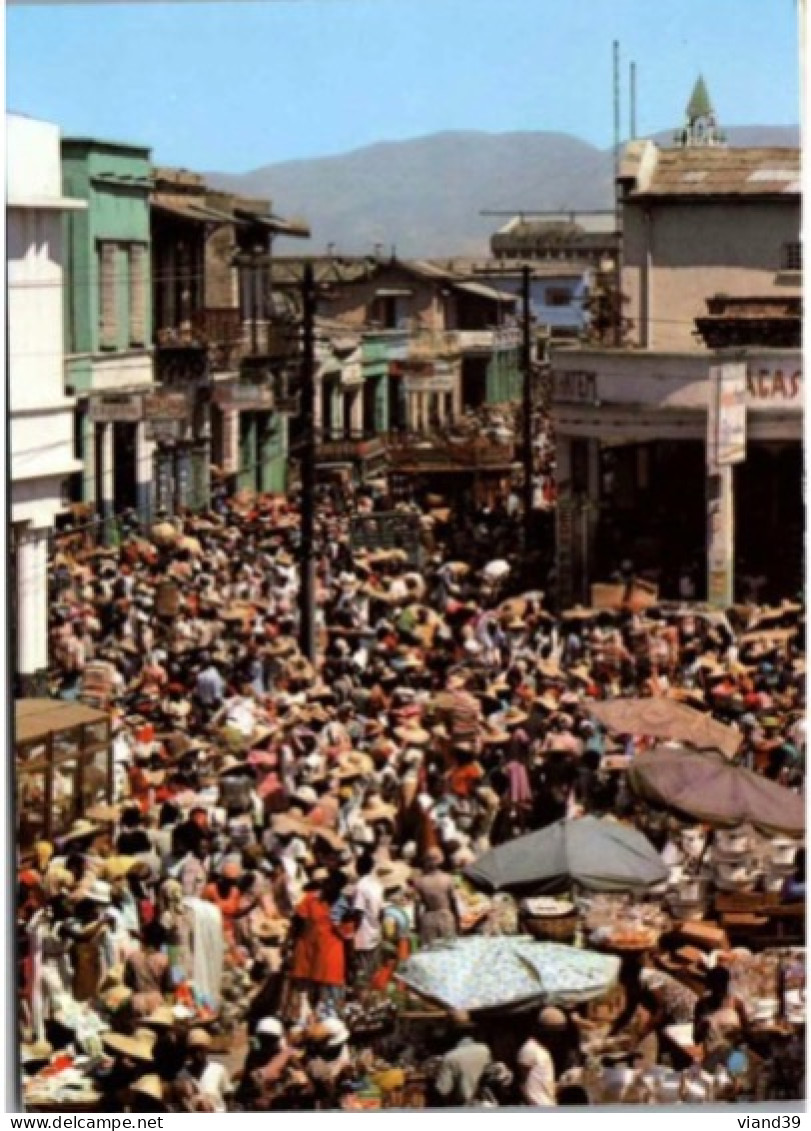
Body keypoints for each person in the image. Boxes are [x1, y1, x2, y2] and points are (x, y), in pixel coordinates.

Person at [693, 965, 750, 1067]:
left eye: (721, 985)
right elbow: (696, 1039)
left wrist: (738, 1034)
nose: (719, 989)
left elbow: (748, 1034)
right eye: (715, 986)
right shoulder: (702, 1005)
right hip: (713, 1059)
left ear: (726, 984)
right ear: (710, 986)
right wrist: (702, 1029)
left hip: (735, 1058)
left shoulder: (736, 1004)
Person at [413, 847, 460, 945]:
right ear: (441, 860)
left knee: (430, 953)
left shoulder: (420, 882)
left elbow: (417, 908)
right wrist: (458, 921)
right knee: (448, 949)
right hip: (446, 918)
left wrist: (417, 926)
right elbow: (454, 902)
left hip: (428, 920)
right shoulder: (447, 879)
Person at [433, 1029, 493, 1106]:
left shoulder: (450, 1057)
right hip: (484, 1103)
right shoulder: (485, 1049)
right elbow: (489, 1073)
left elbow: (443, 1090)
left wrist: (438, 1072)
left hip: (464, 1105)